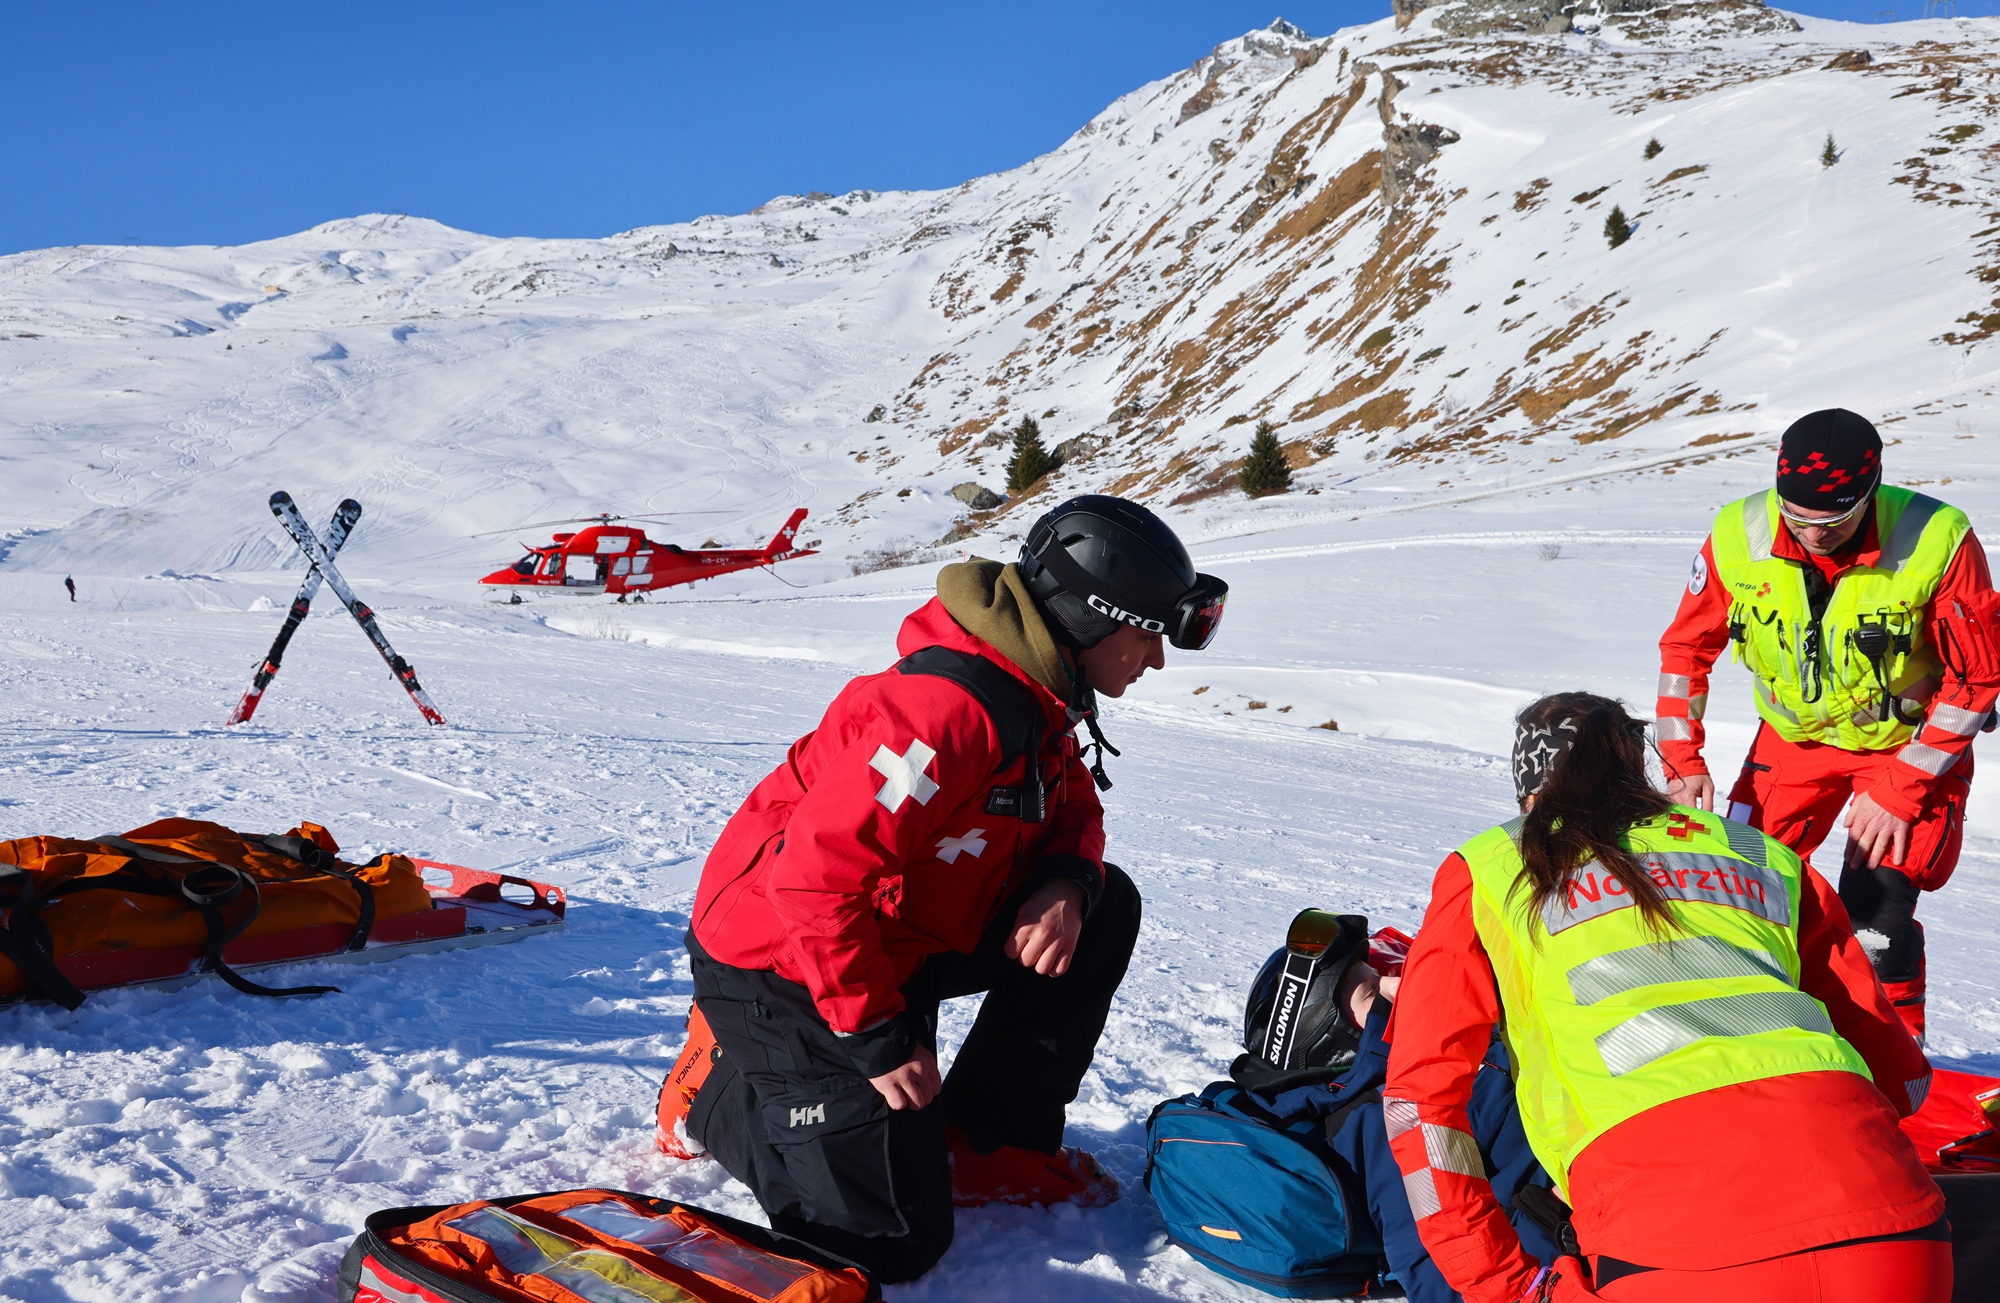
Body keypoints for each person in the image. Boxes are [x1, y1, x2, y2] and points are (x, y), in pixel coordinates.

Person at [658, 494, 1227, 1282]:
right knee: (890, 1243)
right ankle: (715, 1087)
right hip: (782, 961)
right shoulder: (943, 717)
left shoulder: (1039, 690)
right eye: (1147, 634)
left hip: (898, 936)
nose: (1155, 659)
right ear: (1091, 618)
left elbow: (1074, 807)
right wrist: (876, 1032)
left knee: (1104, 904)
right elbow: (814, 884)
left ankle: (990, 1143)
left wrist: (1064, 880)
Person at [1385, 692, 1946, 1302]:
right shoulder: (1759, 853)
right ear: (1635, 766)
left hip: (1671, 1250)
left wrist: (1504, 1284)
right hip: (1895, 1233)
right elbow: (1904, 1083)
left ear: (1527, 794)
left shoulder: (1494, 864)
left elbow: (1419, 1104)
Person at [1655, 408, 2000, 1037]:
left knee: (1875, 905)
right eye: (1797, 516)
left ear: (1868, 495)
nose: (1812, 534)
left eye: (1833, 521)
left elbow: (1975, 681)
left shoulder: (1937, 538)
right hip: (1793, 744)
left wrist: (1901, 789)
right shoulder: (1740, 531)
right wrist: (1683, 761)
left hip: (1903, 748)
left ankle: (1894, 1067)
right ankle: (1744, 1030)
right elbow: (1684, 653)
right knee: (1734, 884)